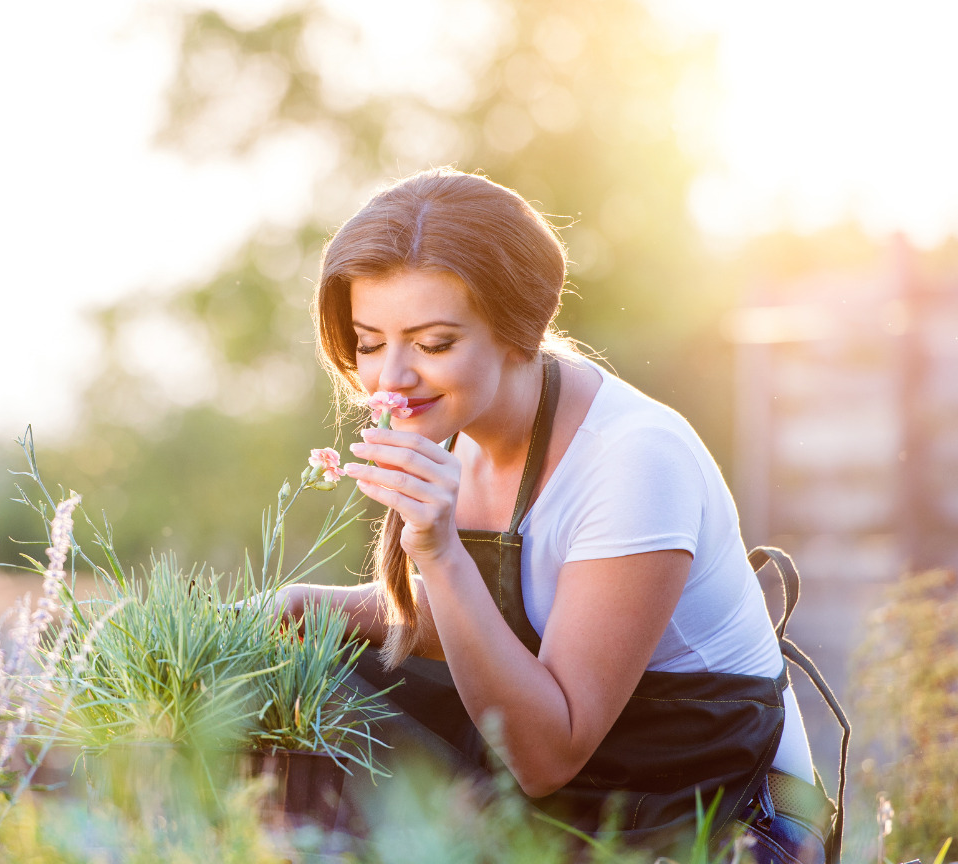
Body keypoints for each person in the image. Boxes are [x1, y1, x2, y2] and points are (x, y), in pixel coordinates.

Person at [274, 168, 844, 864]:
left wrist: (439, 549)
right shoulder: (457, 420)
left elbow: (546, 757)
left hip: (708, 810)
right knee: (292, 686)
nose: (391, 378)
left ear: (519, 328)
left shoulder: (633, 459)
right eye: (369, 342)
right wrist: (298, 608)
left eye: (433, 344)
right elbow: (490, 614)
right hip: (580, 786)